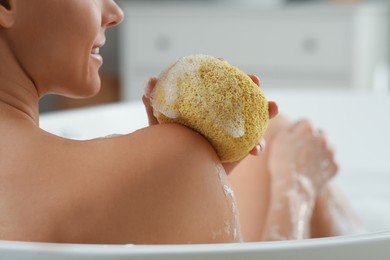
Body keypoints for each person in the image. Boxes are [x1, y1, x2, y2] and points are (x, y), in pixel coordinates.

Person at [0, 0, 359, 245]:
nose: (115, 12)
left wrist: (178, 173)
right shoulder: (176, 157)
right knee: (283, 142)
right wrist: (295, 189)